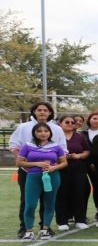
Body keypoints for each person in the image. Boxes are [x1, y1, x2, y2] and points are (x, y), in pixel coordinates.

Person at [10, 102, 67, 238]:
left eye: (45, 110)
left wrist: (52, 167)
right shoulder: (23, 127)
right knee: (27, 201)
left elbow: (63, 151)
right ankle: (25, 229)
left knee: (47, 201)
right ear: (34, 112)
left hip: (51, 173)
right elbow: (14, 146)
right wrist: (26, 164)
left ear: (49, 113)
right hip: (28, 173)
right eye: (39, 110)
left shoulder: (57, 129)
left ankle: (45, 227)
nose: (42, 112)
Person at [56, 115, 91, 231]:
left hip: (78, 169)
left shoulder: (79, 137)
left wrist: (78, 156)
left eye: (72, 122)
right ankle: (62, 221)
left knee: (79, 193)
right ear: (60, 123)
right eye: (67, 122)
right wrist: (61, 157)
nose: (71, 124)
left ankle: (80, 220)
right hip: (61, 169)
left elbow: (87, 151)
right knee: (62, 194)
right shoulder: (55, 137)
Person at [81, 112, 98, 221]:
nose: (96, 121)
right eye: (94, 118)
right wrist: (90, 162)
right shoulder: (83, 134)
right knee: (84, 188)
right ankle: (80, 215)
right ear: (89, 119)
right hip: (86, 164)